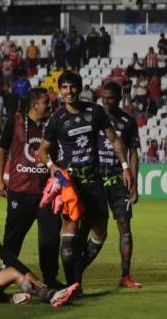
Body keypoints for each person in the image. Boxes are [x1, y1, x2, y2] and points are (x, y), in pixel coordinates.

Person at [39, 72, 134, 292]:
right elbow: (43, 151)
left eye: (73, 87)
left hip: (94, 182)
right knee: (70, 232)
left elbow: (114, 140)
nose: (69, 91)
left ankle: (76, 273)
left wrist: (125, 166)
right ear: (60, 91)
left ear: (79, 89)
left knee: (100, 232)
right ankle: (73, 284)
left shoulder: (95, 112)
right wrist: (52, 168)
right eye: (64, 87)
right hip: (70, 184)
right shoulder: (57, 119)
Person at [0, 87, 62, 289]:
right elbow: (2, 149)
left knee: (49, 237)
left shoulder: (53, 125)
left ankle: (50, 279)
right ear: (34, 104)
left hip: (46, 193)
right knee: (13, 237)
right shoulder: (15, 122)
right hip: (20, 189)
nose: (50, 106)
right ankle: (7, 275)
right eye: (46, 103)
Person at [98, 82, 141, 288]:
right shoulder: (94, 117)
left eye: (111, 98)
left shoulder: (128, 122)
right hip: (95, 179)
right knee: (90, 226)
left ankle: (125, 275)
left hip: (118, 180)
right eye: (103, 97)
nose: (106, 101)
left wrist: (133, 182)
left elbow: (134, 153)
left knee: (124, 225)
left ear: (119, 98)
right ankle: (75, 272)